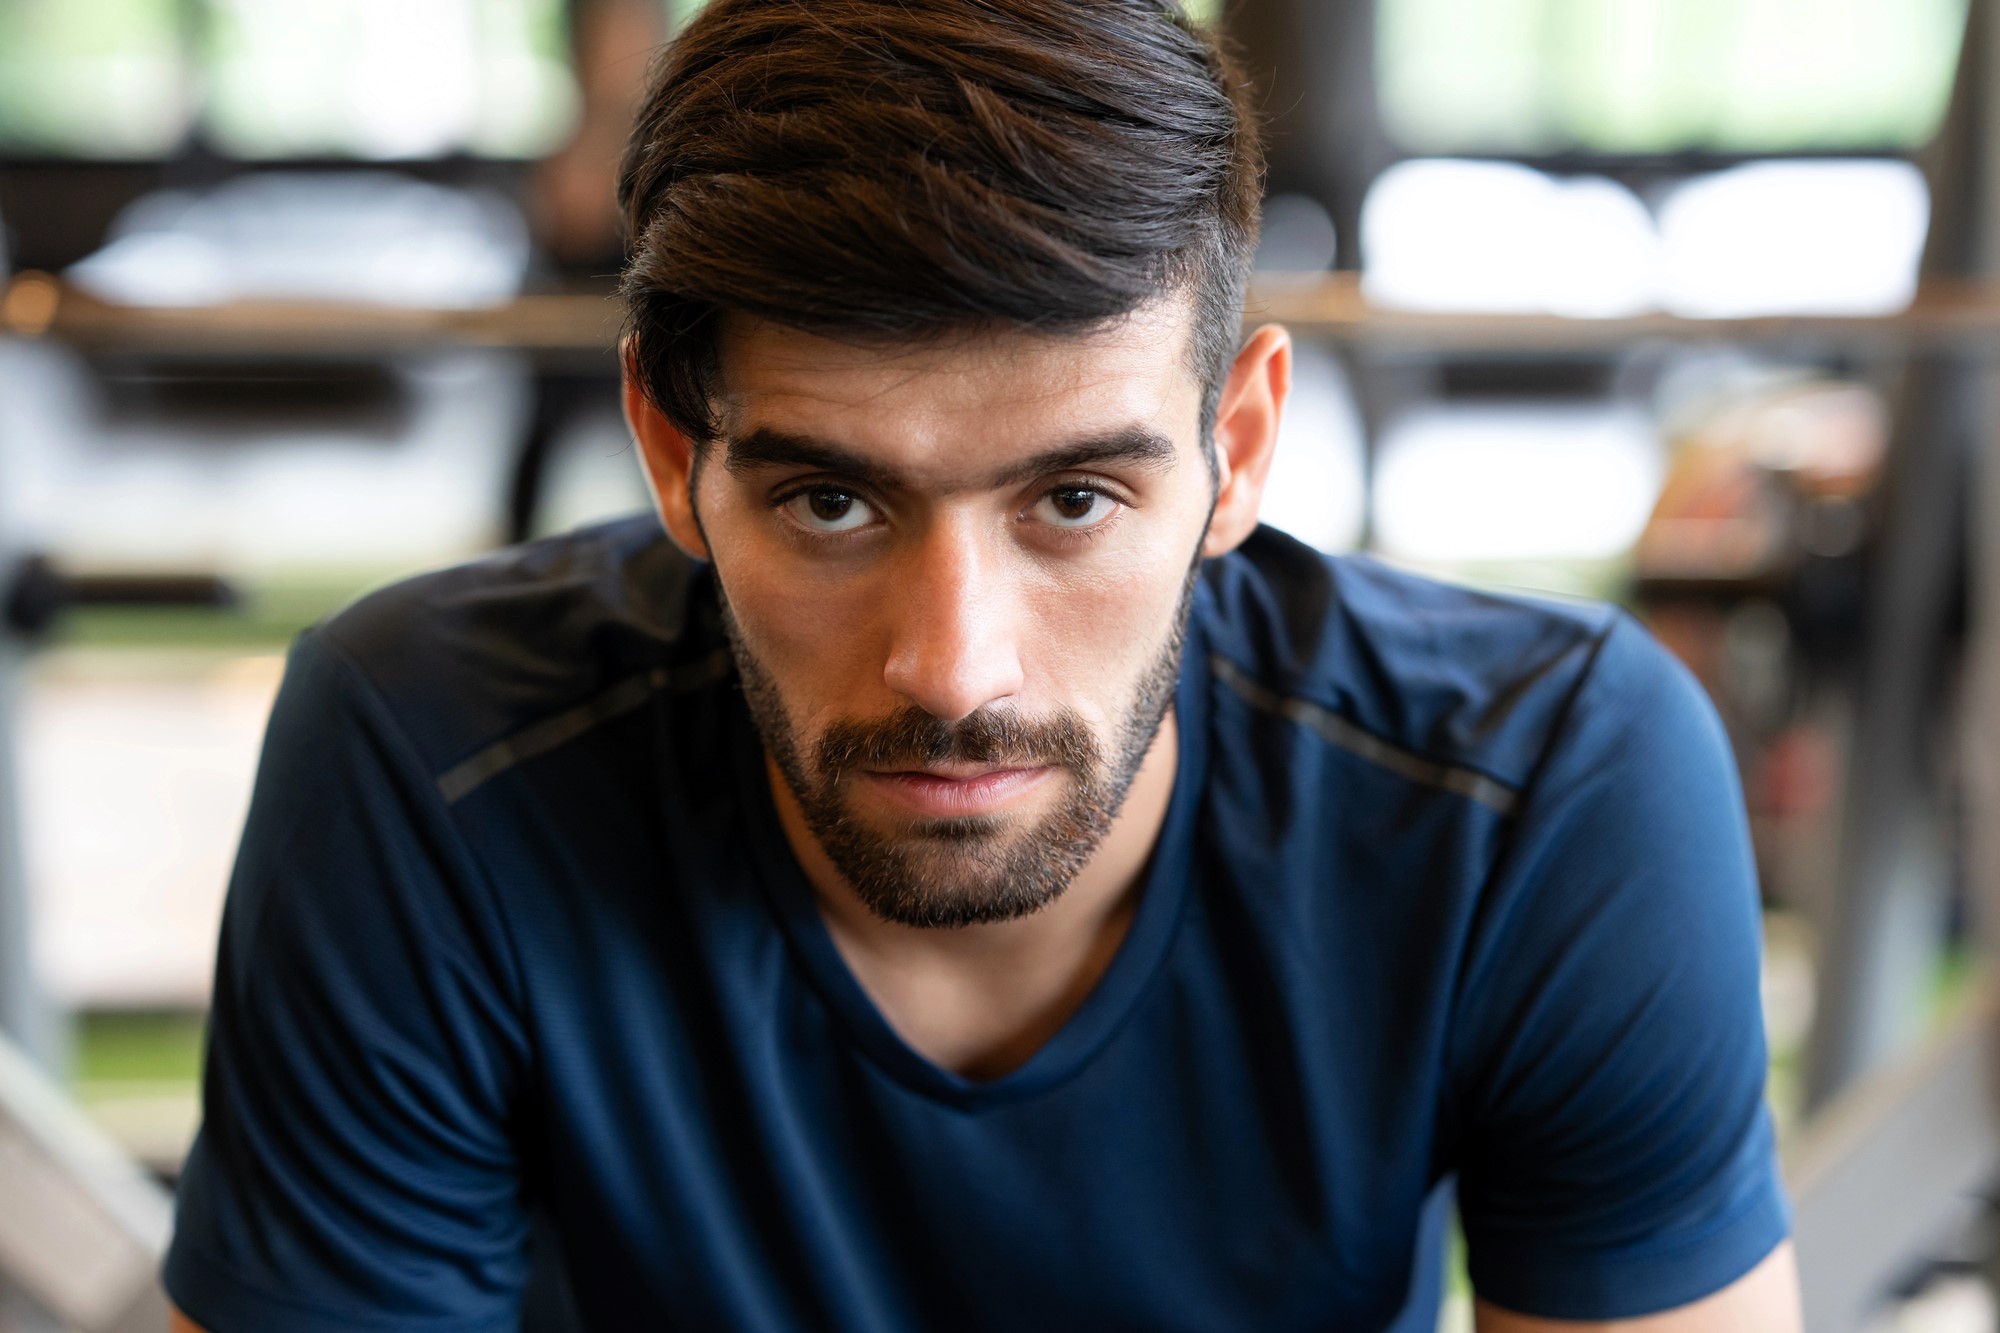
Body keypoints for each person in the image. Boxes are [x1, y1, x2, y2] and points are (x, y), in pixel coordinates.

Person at [164, 1, 1800, 1328]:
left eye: (1075, 499)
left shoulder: (1549, 785)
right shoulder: (428, 755)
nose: (954, 664)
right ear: (674, 457)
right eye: (829, 500)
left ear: (1237, 446)